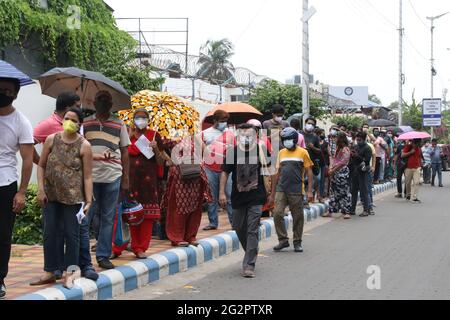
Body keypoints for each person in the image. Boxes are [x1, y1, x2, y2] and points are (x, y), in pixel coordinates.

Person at [31, 108, 93, 288]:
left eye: (73, 120)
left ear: (79, 124)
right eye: (66, 118)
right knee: (50, 233)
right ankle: (50, 271)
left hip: (73, 198)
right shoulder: (51, 139)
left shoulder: (84, 145)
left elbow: (88, 176)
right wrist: (41, 189)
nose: (68, 122)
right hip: (51, 195)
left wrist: (88, 201)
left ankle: (71, 273)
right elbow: (41, 166)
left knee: (72, 236)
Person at [83, 91, 131, 270]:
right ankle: (84, 256)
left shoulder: (119, 124)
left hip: (113, 176)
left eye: (106, 100)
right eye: (100, 99)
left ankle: (103, 255)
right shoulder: (85, 123)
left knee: (108, 217)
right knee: (86, 218)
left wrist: (125, 178)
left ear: (111, 105)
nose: (103, 102)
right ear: (94, 102)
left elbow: (125, 151)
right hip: (90, 178)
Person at [111, 109, 166, 258]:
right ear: (133, 120)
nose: (141, 120)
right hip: (129, 181)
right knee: (127, 214)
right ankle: (117, 248)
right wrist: (128, 138)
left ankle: (140, 247)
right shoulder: (126, 136)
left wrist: (155, 149)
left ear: (148, 120)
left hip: (148, 184)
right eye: (138, 117)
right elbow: (120, 155)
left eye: (144, 118)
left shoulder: (154, 136)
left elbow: (161, 162)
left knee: (146, 217)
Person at [220, 124, 272, 278]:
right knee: (238, 227)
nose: (246, 137)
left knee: (252, 229)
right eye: (243, 135)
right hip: (238, 197)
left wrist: (272, 192)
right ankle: (251, 250)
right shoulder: (232, 152)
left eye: (249, 134)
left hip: (257, 196)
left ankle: (249, 264)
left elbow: (270, 171)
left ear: (256, 136)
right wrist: (221, 192)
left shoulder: (262, 150)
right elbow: (224, 172)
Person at [0, 78, 34, 299]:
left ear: (15, 94)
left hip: (6, 183)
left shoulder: (21, 122)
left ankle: (0, 278)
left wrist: (21, 192)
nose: (3, 93)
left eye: (7, 91)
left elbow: (28, 159)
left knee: (3, 235)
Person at [270, 128, 314, 253]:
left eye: (288, 139)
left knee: (297, 217)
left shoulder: (303, 152)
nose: (286, 142)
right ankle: (283, 240)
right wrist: (272, 192)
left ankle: (297, 241)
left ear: (294, 140)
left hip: (296, 189)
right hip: (281, 189)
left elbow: (309, 172)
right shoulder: (281, 153)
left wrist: (310, 191)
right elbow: (277, 173)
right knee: (277, 213)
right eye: (284, 140)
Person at [201, 110, 235, 230]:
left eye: (225, 121)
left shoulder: (230, 133)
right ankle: (213, 222)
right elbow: (200, 150)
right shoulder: (205, 133)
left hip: (227, 168)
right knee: (212, 196)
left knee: (230, 194)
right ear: (215, 121)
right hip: (210, 167)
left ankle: (234, 222)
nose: (224, 123)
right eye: (221, 121)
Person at [33, 92, 81, 164]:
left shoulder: (75, 124)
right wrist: (42, 164)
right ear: (68, 108)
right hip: (52, 174)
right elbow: (27, 144)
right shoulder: (49, 123)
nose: (80, 110)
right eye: (77, 106)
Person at [326, 132, 352, 219]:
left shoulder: (346, 149)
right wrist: (331, 168)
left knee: (344, 192)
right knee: (333, 192)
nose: (335, 139)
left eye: (336, 138)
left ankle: (346, 211)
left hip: (342, 173)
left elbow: (342, 163)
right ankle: (331, 210)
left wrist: (332, 170)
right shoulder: (338, 149)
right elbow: (333, 159)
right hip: (335, 173)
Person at [349, 132, 373, 217]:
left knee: (364, 191)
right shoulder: (355, 147)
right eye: (357, 139)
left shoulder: (367, 148)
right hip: (355, 171)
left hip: (363, 171)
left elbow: (366, 161)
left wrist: (356, 156)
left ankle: (366, 210)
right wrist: (352, 155)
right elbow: (352, 159)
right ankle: (352, 209)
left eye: (359, 140)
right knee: (353, 191)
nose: (358, 141)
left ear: (364, 139)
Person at [303, 117, 322, 202]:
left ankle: (308, 198)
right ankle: (303, 200)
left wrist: (313, 147)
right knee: (301, 181)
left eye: (312, 124)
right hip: (300, 163)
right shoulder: (299, 134)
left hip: (311, 164)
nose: (310, 125)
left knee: (315, 180)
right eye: (309, 123)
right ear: (305, 123)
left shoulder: (315, 137)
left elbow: (319, 151)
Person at [402, 139, 423, 203]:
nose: (417, 144)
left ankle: (415, 197)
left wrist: (420, 165)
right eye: (416, 143)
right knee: (408, 183)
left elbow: (420, 157)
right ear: (413, 142)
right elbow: (402, 155)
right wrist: (410, 152)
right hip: (408, 168)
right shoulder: (408, 146)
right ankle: (408, 194)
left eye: (418, 143)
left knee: (416, 182)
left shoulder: (419, 148)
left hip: (417, 168)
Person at [317, 128, 329, 201]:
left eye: (323, 133)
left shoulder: (326, 143)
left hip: (323, 163)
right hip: (315, 163)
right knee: (316, 180)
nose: (322, 135)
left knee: (322, 180)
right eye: (321, 133)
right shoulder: (315, 142)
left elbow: (329, 154)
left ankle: (320, 196)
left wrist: (328, 164)